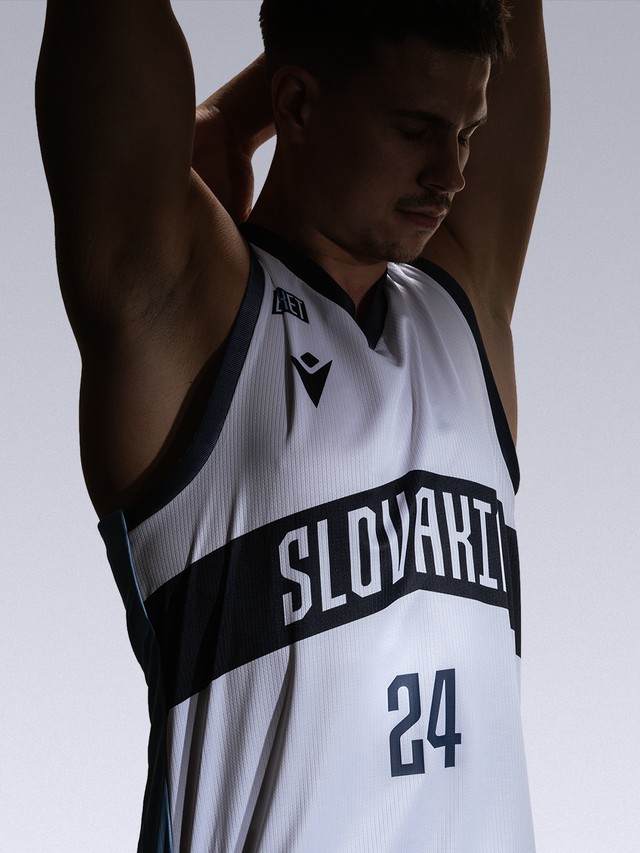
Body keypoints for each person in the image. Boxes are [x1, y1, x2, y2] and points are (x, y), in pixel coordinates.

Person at [36, 0, 550, 849]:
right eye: (416, 129)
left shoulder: (464, 309)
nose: (451, 173)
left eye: (467, 133)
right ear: (301, 106)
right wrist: (240, 110)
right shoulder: (189, 315)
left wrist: (240, 115)